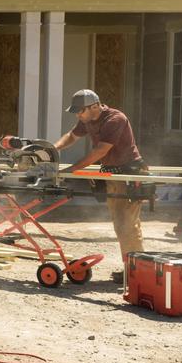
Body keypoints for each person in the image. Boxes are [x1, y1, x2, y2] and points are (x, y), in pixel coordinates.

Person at [52, 89, 146, 277]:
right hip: (113, 173)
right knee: (120, 223)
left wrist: (72, 169)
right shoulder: (88, 119)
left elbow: (100, 151)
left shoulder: (115, 119)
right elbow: (72, 136)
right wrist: (52, 148)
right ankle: (132, 269)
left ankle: (137, 272)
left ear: (94, 106)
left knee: (127, 224)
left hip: (128, 173)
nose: (78, 115)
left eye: (80, 111)